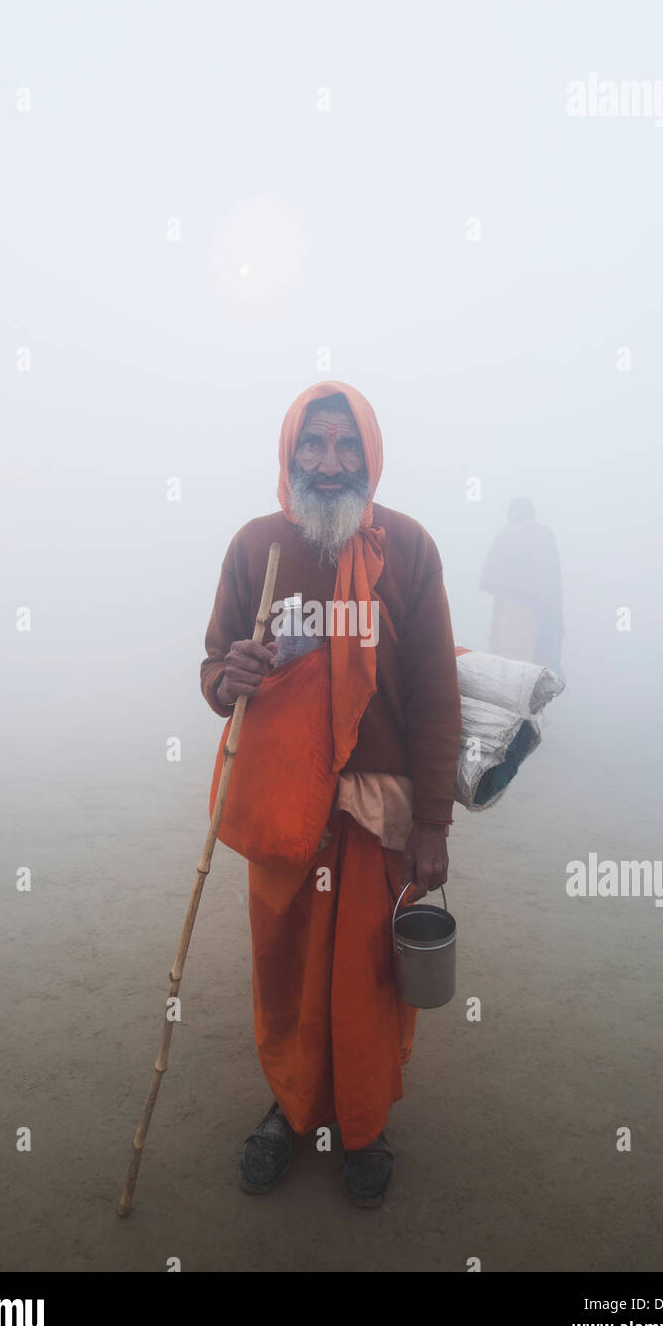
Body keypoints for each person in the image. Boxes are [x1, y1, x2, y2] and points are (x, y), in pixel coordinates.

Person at [200, 379, 462, 1207]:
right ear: (289, 454)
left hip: (376, 815)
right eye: (313, 443)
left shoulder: (409, 551)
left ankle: (362, 1124)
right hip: (282, 808)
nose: (330, 461)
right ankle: (290, 1106)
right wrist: (229, 673)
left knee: (367, 979)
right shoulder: (256, 548)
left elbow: (432, 697)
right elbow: (215, 669)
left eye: (347, 445)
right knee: (287, 971)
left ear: (370, 457)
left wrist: (432, 822)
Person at [479, 497, 564, 678]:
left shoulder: (505, 537)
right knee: (533, 674)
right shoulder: (544, 536)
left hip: (509, 617)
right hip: (542, 616)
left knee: (508, 676)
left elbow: (487, 581)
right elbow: (555, 586)